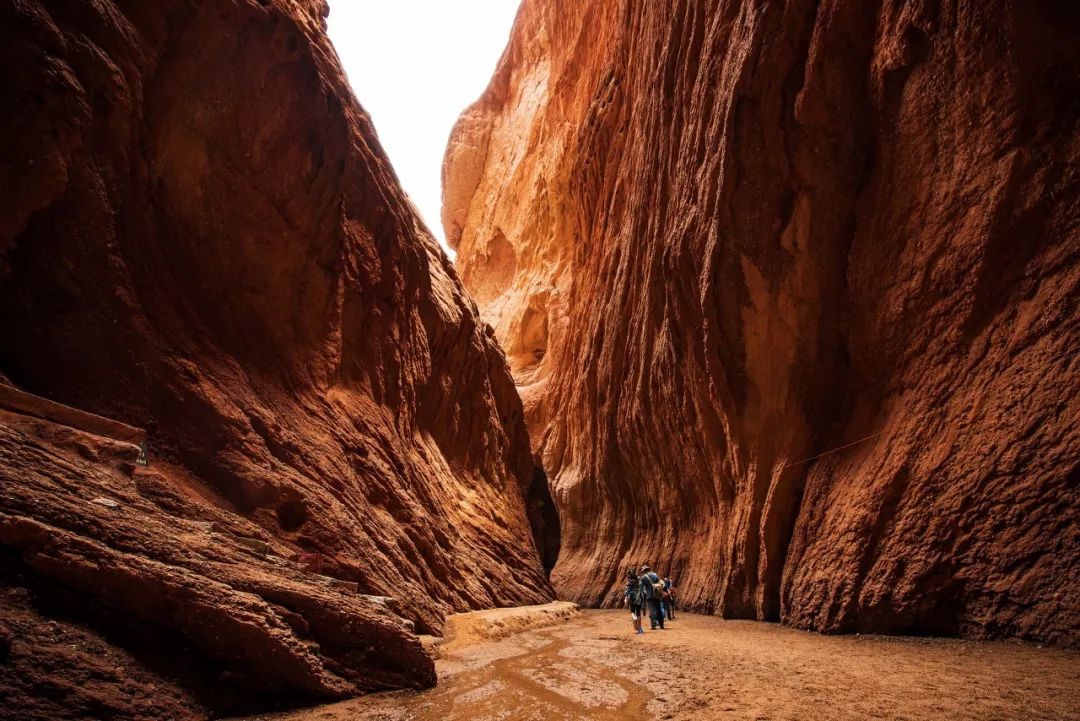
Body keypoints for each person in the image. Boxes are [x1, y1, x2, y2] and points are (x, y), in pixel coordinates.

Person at [639, 564, 665, 630]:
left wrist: (643, 594)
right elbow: (659, 583)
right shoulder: (655, 574)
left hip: (649, 596)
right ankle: (661, 625)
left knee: (652, 611)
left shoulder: (644, 577)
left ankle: (653, 625)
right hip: (657, 595)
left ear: (644, 570)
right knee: (659, 610)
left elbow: (641, 587)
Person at [622, 569, 645, 634]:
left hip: (632, 597)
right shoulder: (638, 581)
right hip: (639, 597)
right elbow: (642, 590)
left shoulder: (629, 582)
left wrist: (625, 599)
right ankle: (640, 629)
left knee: (632, 611)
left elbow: (627, 591)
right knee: (638, 612)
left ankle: (634, 618)